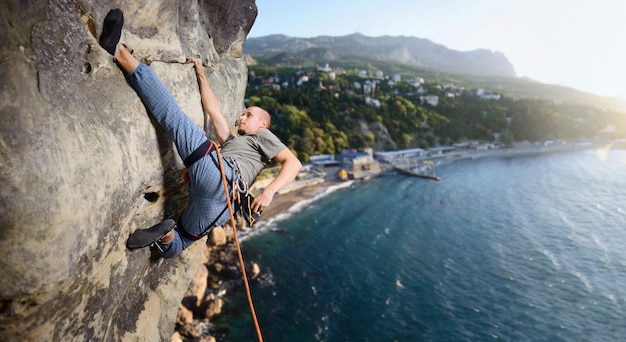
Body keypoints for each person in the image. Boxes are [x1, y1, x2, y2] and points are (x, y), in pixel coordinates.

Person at [99, 9, 302, 258]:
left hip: (217, 169)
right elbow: (214, 110)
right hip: (221, 202)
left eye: (249, 115)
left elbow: (293, 163)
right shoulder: (234, 141)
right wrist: (201, 73)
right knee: (180, 244)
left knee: (172, 116)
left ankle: (118, 51)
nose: (242, 116)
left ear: (263, 125)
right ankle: (167, 234)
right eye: (243, 113)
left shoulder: (263, 137)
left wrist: (269, 191)